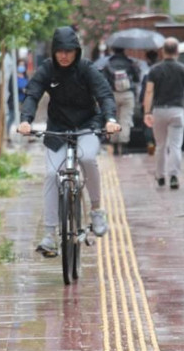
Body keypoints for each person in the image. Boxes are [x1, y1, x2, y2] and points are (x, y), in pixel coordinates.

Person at [18, 26, 121, 256]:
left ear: (76, 51)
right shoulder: (47, 69)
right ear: (54, 52)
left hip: (87, 126)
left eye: (69, 51)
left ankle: (96, 210)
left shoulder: (86, 69)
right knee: (51, 175)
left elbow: (104, 94)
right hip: (58, 129)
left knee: (87, 157)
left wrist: (111, 119)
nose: (64, 56)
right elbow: (33, 93)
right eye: (60, 51)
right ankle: (49, 234)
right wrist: (26, 120)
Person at [142, 37, 184, 189]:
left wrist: (147, 112)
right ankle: (173, 176)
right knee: (175, 145)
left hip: (159, 111)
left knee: (160, 145)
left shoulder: (154, 70)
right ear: (177, 52)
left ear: (163, 51)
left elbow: (149, 91)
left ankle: (160, 176)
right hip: (177, 110)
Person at [101, 46, 141, 155]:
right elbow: (137, 78)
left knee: (113, 119)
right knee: (125, 120)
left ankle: (113, 146)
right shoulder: (130, 63)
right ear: (124, 49)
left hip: (113, 94)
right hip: (128, 94)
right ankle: (123, 147)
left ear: (113, 50)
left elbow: (104, 80)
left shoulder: (108, 63)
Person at [137, 49, 160, 156]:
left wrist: (142, 101)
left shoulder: (147, 73)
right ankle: (158, 143)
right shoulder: (161, 70)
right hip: (159, 102)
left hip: (148, 102)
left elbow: (145, 90)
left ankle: (150, 143)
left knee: (147, 125)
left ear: (147, 59)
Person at [6, 60, 28, 143]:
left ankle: (27, 136)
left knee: (25, 118)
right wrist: (20, 90)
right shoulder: (13, 76)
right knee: (12, 117)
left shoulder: (25, 76)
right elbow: (10, 88)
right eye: (20, 65)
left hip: (23, 101)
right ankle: (7, 135)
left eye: (23, 65)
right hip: (14, 101)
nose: (21, 67)